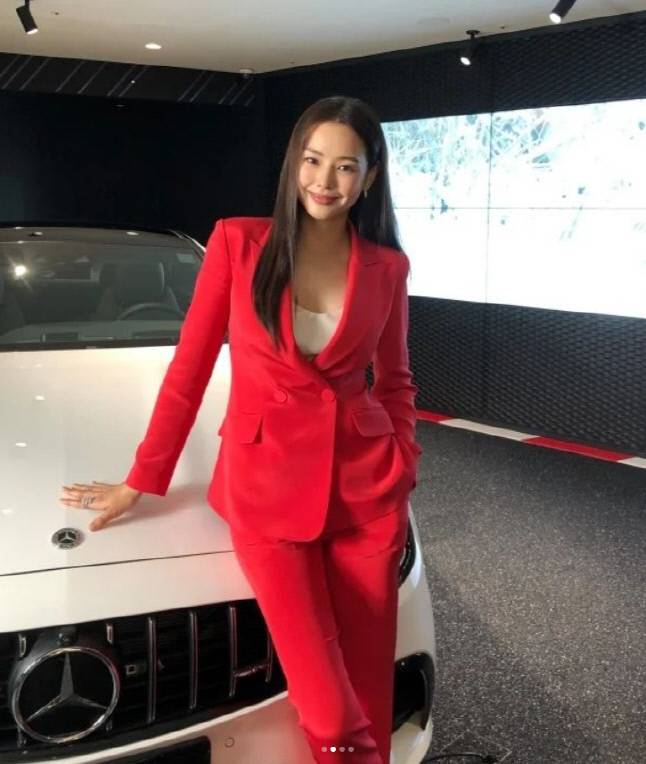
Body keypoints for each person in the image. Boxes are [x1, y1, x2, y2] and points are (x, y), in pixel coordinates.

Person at [58, 95, 422, 764]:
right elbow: (190, 368)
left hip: (366, 495)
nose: (325, 180)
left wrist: (403, 464)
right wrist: (143, 478)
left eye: (346, 166)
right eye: (313, 160)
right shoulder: (239, 242)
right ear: (293, 163)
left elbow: (395, 381)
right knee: (330, 706)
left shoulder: (387, 266)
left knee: (368, 686)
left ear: (370, 177)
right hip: (265, 491)